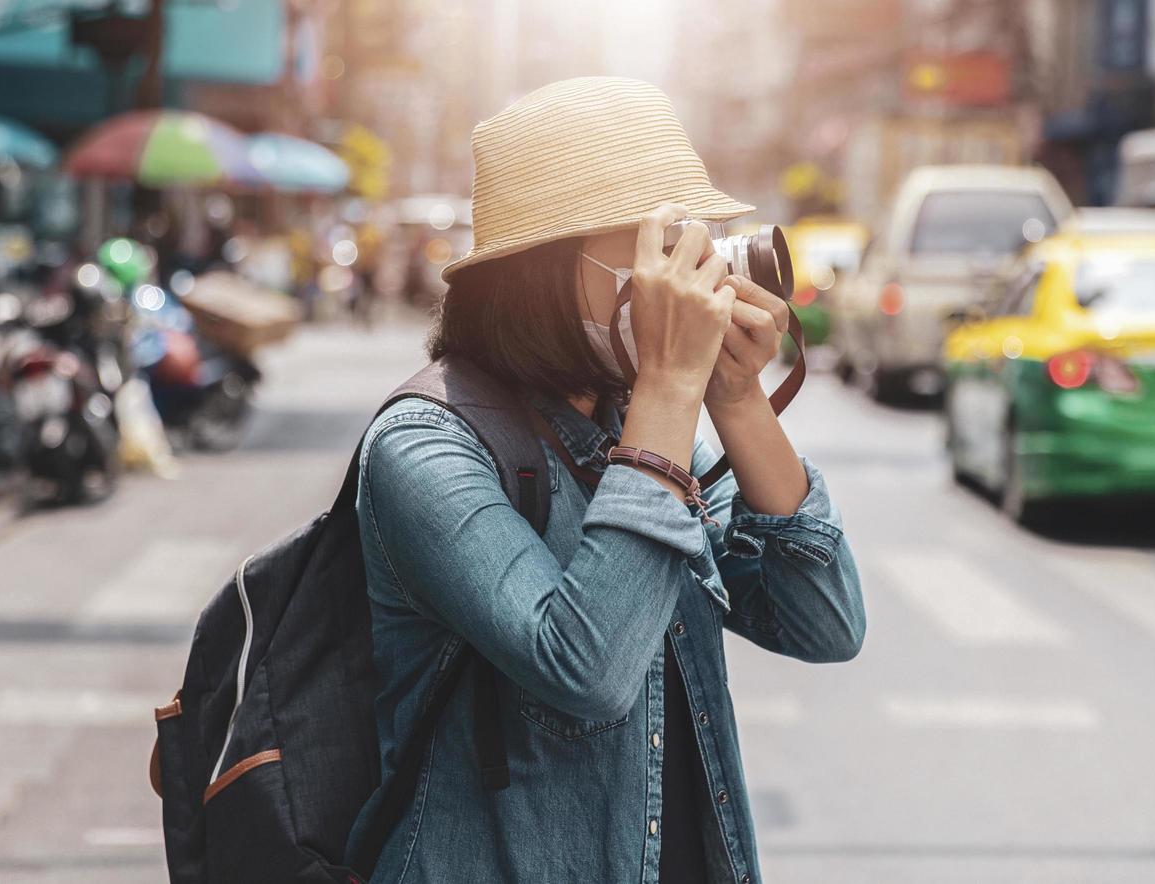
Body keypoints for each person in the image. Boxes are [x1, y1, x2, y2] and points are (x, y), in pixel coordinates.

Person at [347, 77, 866, 883]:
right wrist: (666, 390)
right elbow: (585, 670)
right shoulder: (424, 446)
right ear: (546, 270)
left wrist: (733, 397)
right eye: (655, 247)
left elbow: (824, 622)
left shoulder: (644, 427)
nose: (687, 275)